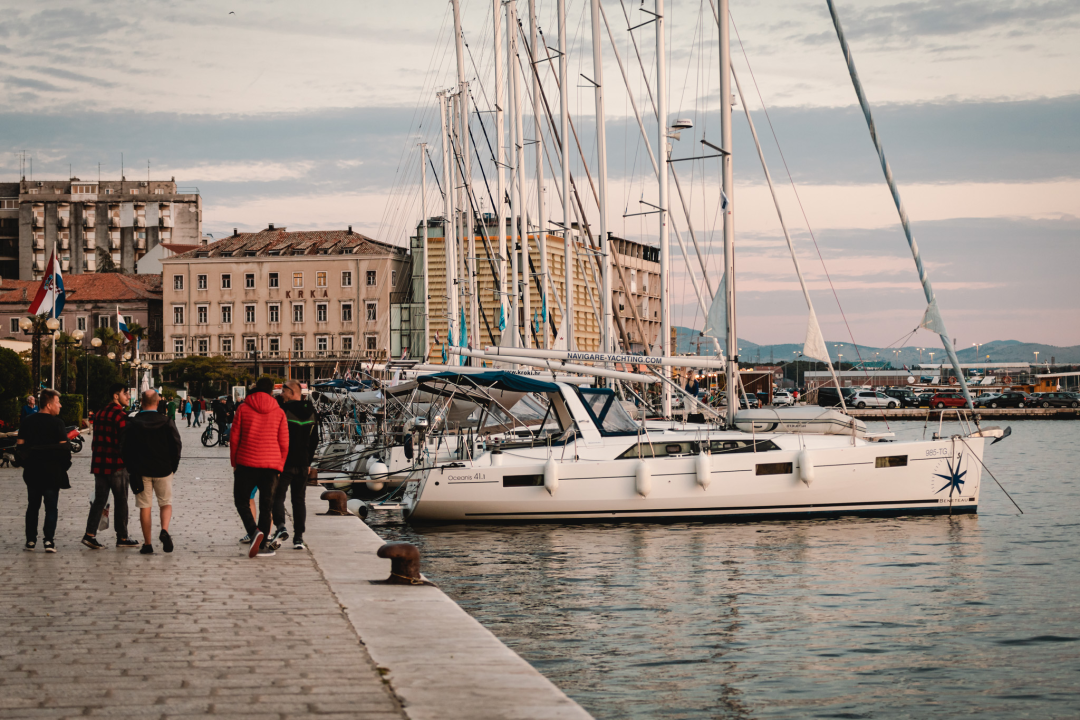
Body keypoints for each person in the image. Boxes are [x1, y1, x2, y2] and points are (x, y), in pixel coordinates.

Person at [230, 376, 288, 558]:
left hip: (246, 463)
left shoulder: (243, 408)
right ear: (272, 392)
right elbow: (284, 443)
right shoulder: (279, 412)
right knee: (267, 505)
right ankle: (262, 545)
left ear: (255, 389)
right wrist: (280, 465)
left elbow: (234, 439)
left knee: (241, 500)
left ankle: (253, 531)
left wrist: (234, 462)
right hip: (271, 466)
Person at [122, 390, 182, 555]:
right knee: (165, 503)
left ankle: (147, 544)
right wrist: (173, 466)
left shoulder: (133, 422)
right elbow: (176, 445)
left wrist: (130, 467)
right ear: (157, 403)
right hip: (163, 469)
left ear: (141, 402)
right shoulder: (166, 421)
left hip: (141, 471)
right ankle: (164, 529)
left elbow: (125, 447)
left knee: (145, 507)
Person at [83, 383, 140, 550]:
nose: (128, 397)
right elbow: (125, 442)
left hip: (99, 463)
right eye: (125, 394)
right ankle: (122, 536)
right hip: (116, 464)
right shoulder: (121, 415)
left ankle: (90, 535)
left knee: (99, 500)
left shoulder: (100, 413)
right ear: (116, 396)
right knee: (121, 500)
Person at [16, 390, 73, 552]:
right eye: (57, 402)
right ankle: (48, 541)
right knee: (51, 507)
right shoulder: (58, 423)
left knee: (33, 506)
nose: (60, 405)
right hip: (52, 472)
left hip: (32, 471)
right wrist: (64, 467)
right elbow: (64, 449)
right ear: (49, 405)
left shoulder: (27, 422)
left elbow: (20, 446)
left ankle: (30, 541)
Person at [271, 381, 319, 550]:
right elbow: (315, 440)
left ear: (291, 392)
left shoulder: (283, 411)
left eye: (283, 391)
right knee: (299, 500)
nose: (281, 394)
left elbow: (276, 436)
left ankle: (281, 527)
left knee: (277, 497)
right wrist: (309, 462)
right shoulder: (312, 411)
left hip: (285, 462)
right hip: (303, 464)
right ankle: (298, 538)